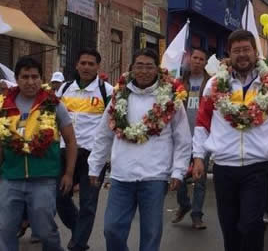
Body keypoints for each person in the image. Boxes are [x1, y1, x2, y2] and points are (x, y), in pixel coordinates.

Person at [192, 30, 268, 251]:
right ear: (229, 53)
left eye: (246, 49)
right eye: (237, 51)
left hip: (258, 167)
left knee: (251, 225)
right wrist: (198, 157)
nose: (242, 55)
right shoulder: (215, 84)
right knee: (229, 227)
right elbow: (202, 123)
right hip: (224, 167)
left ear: (256, 52)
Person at [88, 48, 191, 251]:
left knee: (151, 235)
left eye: (149, 66)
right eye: (139, 66)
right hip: (121, 176)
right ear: (131, 69)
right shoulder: (118, 97)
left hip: (154, 177)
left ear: (157, 70)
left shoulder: (170, 99)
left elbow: (182, 138)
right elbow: (103, 135)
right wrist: (94, 167)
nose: (144, 71)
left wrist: (178, 170)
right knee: (112, 229)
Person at [0, 56, 77, 251]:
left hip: (44, 179)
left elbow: (70, 141)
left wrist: (68, 174)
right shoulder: (3, 105)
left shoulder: (53, 104)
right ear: (16, 79)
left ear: (41, 78)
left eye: (35, 77)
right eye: (25, 77)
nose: (30, 81)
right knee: (5, 229)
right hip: (10, 177)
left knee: (45, 231)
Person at [55, 49, 113, 251]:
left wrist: (108, 156)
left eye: (91, 64)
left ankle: (78, 244)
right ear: (76, 65)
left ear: (98, 67)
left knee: (88, 203)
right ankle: (79, 229)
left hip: (92, 156)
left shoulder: (108, 91)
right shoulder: (64, 89)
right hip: (64, 152)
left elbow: (112, 124)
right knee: (59, 199)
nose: (87, 67)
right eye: (83, 63)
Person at [172, 48, 211, 229]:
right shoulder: (180, 82)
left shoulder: (211, 83)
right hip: (182, 137)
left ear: (205, 62)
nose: (197, 61)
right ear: (190, 60)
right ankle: (184, 204)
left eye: (201, 59)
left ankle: (197, 215)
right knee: (178, 173)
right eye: (195, 58)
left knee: (199, 178)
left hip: (202, 137)